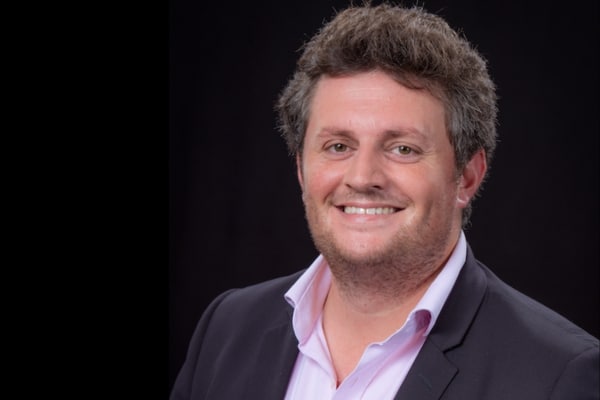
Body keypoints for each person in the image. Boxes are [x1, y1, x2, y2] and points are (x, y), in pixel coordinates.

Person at [170, 3, 599, 399]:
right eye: (338, 146)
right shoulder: (227, 328)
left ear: (467, 176)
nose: (362, 178)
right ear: (301, 168)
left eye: (403, 149)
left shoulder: (559, 376)